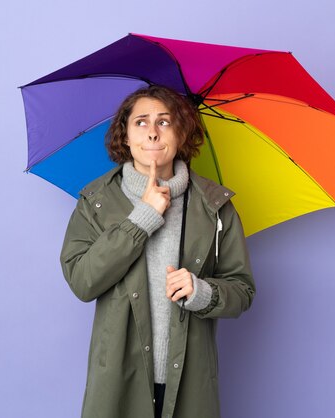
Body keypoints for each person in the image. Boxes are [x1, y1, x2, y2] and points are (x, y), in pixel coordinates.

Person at [60, 85, 255, 418]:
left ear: (181, 134)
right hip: (119, 383)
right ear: (124, 136)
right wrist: (143, 218)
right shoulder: (95, 202)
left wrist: (202, 291)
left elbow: (242, 290)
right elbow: (83, 281)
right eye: (141, 122)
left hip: (191, 381)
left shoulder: (215, 206)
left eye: (164, 122)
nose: (152, 133)